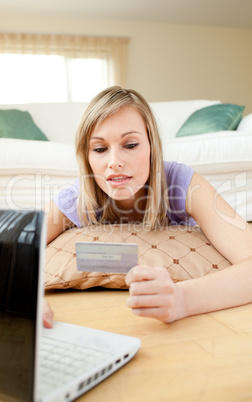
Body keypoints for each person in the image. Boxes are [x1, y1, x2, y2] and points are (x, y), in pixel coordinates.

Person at [45, 86, 252, 324]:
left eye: (130, 145)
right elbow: (11, 250)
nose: (114, 163)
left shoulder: (181, 183)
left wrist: (182, 299)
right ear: (87, 158)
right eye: (100, 149)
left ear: (152, 147)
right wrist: (26, 299)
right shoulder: (77, 198)